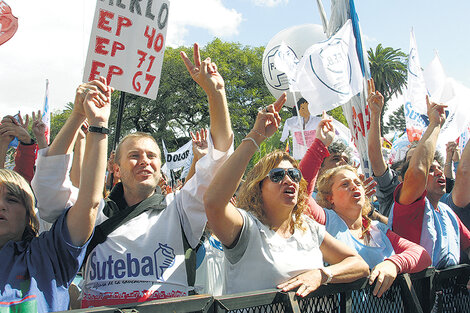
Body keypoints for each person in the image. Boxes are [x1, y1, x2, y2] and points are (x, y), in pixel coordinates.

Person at [31, 44, 233, 307]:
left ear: (160, 167)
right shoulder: (91, 212)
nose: (144, 162)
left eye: (151, 156)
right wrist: (78, 114)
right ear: (115, 168)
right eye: (134, 155)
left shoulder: (181, 209)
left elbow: (218, 162)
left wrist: (216, 94)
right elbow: (47, 188)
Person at [203, 94, 369, 297]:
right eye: (277, 175)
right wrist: (256, 135)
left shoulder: (308, 228)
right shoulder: (246, 229)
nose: (289, 180)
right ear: (258, 187)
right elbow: (213, 202)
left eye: (294, 174)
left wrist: (323, 274)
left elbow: (359, 264)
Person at [0, 81, 112, 312]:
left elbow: (88, 203)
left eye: (11, 199)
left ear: (30, 213)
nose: (0, 206)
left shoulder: (49, 255)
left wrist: (96, 124)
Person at [300, 113, 431, 298]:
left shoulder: (378, 229)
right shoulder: (325, 222)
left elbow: (422, 255)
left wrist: (394, 264)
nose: (354, 186)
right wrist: (320, 144)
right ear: (330, 198)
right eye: (345, 184)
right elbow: (300, 193)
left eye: (357, 182)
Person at [389, 95, 470, 269]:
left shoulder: (448, 212)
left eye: (439, 167)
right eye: (431, 170)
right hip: (417, 295)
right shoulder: (409, 206)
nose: (439, 172)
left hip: (450, 295)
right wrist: (435, 124)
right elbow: (418, 171)